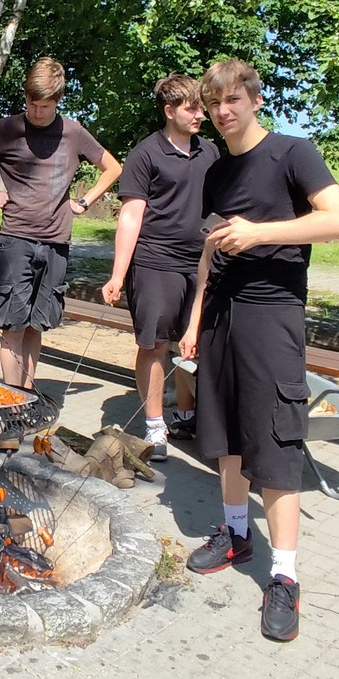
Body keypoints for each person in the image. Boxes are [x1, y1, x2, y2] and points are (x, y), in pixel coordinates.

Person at [179, 59, 339, 642]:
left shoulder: (292, 153)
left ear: (255, 99)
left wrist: (259, 233)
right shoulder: (217, 171)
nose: (222, 111)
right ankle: (236, 534)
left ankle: (284, 576)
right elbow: (210, 250)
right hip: (220, 317)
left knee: (275, 442)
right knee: (225, 434)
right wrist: (195, 317)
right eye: (213, 104)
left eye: (232, 100)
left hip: (273, 315)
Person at [0, 57, 121, 389]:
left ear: (58, 101)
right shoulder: (8, 128)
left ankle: (26, 396)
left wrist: (85, 201)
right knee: (12, 326)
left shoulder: (73, 132)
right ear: (26, 97)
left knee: (36, 325)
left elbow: (113, 168)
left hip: (57, 242)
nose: (37, 112)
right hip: (16, 239)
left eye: (45, 106)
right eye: (32, 104)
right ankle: (13, 400)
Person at [101, 73, 217, 461]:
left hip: (200, 263)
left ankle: (187, 415)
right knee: (155, 345)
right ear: (169, 111)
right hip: (155, 262)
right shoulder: (146, 153)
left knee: (194, 343)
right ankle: (155, 426)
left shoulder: (211, 152)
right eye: (192, 108)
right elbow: (131, 216)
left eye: (201, 108)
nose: (200, 115)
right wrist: (118, 275)